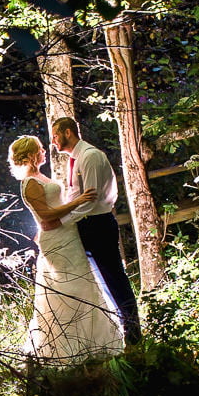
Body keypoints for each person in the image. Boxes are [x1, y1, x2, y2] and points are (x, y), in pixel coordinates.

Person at [7, 135, 124, 365]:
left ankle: (96, 344)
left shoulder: (40, 176)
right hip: (56, 239)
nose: (43, 152)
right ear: (31, 154)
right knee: (68, 288)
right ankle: (68, 349)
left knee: (85, 285)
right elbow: (46, 216)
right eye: (40, 149)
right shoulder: (29, 183)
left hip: (67, 234)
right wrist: (78, 201)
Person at [48, 116, 143, 346]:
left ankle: (134, 335)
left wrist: (62, 221)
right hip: (87, 224)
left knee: (115, 280)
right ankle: (119, 333)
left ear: (68, 132)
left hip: (98, 224)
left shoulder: (90, 156)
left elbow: (90, 201)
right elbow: (75, 196)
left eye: (56, 135)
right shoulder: (75, 159)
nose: (53, 141)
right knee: (100, 281)